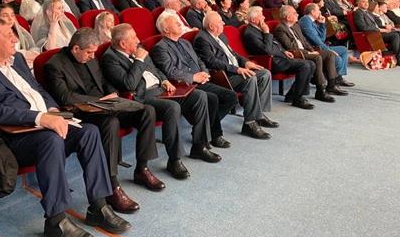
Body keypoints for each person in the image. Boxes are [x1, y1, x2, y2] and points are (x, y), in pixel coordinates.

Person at [0, 19, 130, 236]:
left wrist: (52, 109)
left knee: (89, 132)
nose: (15, 39)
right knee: (51, 140)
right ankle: (56, 220)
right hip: (11, 136)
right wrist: (41, 117)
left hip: (42, 124)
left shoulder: (17, 59)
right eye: (9, 35)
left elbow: (37, 89)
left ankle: (98, 206)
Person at [43, 29, 165, 214]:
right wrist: (98, 101)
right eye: (89, 53)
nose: (93, 56)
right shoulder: (54, 65)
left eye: (94, 52)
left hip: (107, 104)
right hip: (84, 111)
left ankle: (142, 168)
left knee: (146, 111)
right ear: (75, 48)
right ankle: (112, 185)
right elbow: (65, 97)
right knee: (111, 122)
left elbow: (102, 81)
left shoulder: (90, 57)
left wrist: (113, 94)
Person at [101, 24, 213, 179]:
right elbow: (129, 84)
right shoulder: (110, 59)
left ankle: (199, 145)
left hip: (161, 89)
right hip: (143, 97)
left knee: (199, 96)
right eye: (134, 38)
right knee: (172, 107)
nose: (138, 40)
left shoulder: (137, 49)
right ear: (123, 43)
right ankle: (174, 160)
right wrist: (139, 60)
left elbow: (156, 69)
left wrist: (164, 80)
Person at [151, 14, 238, 150]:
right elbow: (170, 71)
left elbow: (199, 60)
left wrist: (205, 73)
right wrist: (193, 77)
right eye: (176, 23)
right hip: (184, 85)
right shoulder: (160, 48)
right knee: (212, 99)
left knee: (230, 97)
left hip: (200, 80)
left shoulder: (185, 42)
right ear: (166, 30)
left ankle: (204, 128)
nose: (180, 24)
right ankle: (214, 134)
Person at [194, 12, 278, 139]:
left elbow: (232, 53)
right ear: (211, 26)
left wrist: (245, 62)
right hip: (223, 76)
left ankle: (258, 114)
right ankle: (249, 123)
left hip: (235, 70)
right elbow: (212, 62)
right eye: (220, 22)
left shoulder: (221, 35)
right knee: (250, 79)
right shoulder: (202, 39)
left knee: (265, 74)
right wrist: (237, 69)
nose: (223, 23)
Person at [242, 6, 316, 110]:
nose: (264, 18)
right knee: (306, 65)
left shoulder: (260, 28)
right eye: (261, 16)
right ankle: (298, 98)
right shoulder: (250, 33)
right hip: (272, 61)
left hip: (280, 57)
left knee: (311, 64)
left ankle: (292, 95)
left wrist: (284, 51)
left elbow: (276, 43)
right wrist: (266, 33)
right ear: (253, 20)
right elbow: (266, 51)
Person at [273, 5, 346, 99]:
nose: (297, 14)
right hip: (297, 54)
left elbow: (305, 42)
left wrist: (312, 50)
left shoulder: (295, 26)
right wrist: (309, 53)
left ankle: (331, 85)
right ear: (288, 17)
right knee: (317, 57)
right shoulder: (280, 29)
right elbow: (290, 47)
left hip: (306, 51)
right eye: (295, 13)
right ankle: (320, 90)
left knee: (329, 54)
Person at [298, 3, 354, 90]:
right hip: (314, 49)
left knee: (343, 50)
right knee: (338, 60)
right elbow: (316, 41)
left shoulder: (313, 21)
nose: (320, 12)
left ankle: (338, 78)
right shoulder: (305, 21)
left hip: (321, 46)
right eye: (318, 10)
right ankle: (333, 79)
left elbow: (322, 38)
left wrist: (322, 24)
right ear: (312, 12)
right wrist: (329, 50)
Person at [354, 0, 400, 67]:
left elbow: (375, 25)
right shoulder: (358, 13)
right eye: (363, 2)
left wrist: (384, 27)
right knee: (395, 35)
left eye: (367, 2)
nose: (366, 4)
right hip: (371, 35)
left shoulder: (367, 12)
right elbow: (363, 27)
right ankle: (399, 59)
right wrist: (379, 29)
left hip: (376, 32)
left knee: (398, 33)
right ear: (358, 3)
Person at [0, 4, 40, 69]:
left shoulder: (19, 31)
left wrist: (32, 54)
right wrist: (24, 55)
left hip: (27, 62)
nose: (10, 19)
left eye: (12, 15)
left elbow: (33, 47)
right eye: (5, 16)